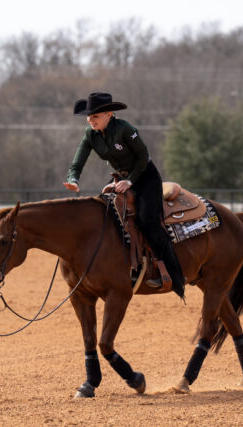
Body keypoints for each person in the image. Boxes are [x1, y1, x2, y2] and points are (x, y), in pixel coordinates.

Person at [64, 92, 185, 298]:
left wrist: (131, 181)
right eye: (89, 116)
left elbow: (143, 156)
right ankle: (119, 266)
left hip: (145, 177)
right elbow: (78, 162)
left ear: (109, 114)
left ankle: (173, 274)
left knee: (149, 221)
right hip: (120, 179)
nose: (90, 120)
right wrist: (73, 179)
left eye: (95, 116)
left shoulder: (125, 129)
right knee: (102, 213)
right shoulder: (90, 135)